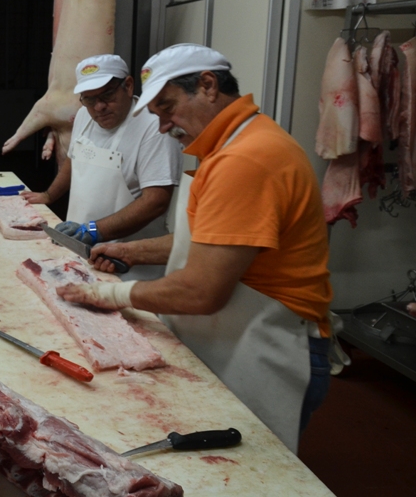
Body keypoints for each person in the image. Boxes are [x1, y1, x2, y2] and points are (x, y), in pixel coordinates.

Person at [58, 44, 333, 453]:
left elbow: (202, 291)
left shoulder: (246, 159)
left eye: (168, 109)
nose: (163, 127)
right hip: (239, 331)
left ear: (207, 85)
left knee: (248, 467)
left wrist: (109, 295)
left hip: (269, 341)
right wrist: (132, 251)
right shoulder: (232, 144)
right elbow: (217, 240)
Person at [24, 54, 182, 280]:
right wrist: (49, 195)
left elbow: (156, 201)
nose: (99, 107)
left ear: (128, 86)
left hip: (129, 266)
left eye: (107, 95)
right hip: (80, 255)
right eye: (89, 99)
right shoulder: (84, 116)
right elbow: (74, 158)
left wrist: (92, 230)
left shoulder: (154, 127)